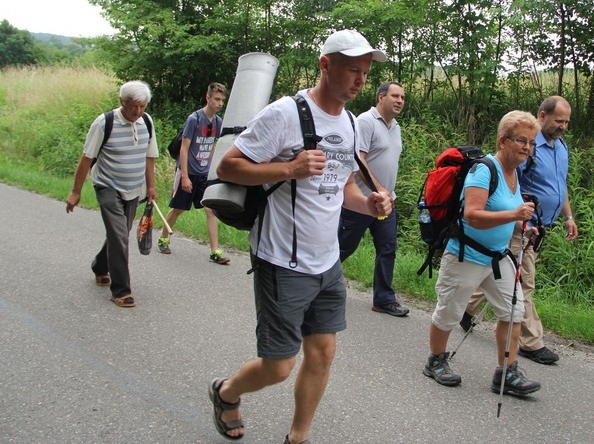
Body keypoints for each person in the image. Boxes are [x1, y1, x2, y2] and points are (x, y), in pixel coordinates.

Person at [208, 29, 391, 443]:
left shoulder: (349, 124)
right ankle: (226, 392)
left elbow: (342, 188)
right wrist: (289, 169)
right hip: (281, 260)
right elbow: (228, 167)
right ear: (325, 65)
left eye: (364, 72)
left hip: (326, 261)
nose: (360, 80)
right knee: (278, 366)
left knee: (323, 353)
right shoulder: (284, 114)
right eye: (351, 70)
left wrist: (369, 204)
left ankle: (297, 437)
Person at [423, 110, 542, 397]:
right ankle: (436, 361)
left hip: (498, 257)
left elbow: (500, 211)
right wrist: (514, 212)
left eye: (531, 142)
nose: (527, 147)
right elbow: (473, 215)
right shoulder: (483, 170)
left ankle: (507, 373)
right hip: (467, 255)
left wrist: (521, 226)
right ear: (503, 140)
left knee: (514, 312)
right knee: (449, 312)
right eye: (521, 141)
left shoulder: (513, 173)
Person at [461, 96, 579, 365]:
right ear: (542, 116)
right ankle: (531, 343)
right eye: (559, 121)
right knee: (523, 282)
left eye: (566, 122)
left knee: (500, 275)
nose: (563, 126)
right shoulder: (529, 147)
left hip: (541, 228)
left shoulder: (561, 147)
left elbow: (560, 185)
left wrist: (568, 216)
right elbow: (507, 177)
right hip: (520, 226)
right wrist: (517, 218)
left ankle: (466, 307)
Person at [66, 81, 158, 308]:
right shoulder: (104, 123)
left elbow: (149, 156)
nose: (137, 112)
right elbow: (86, 159)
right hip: (107, 186)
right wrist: (75, 192)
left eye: (142, 107)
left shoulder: (146, 121)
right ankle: (121, 290)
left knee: (119, 234)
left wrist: (151, 187)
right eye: (132, 107)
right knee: (119, 237)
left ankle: (100, 265)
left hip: (134, 189)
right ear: (121, 102)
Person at [338, 81, 409, 317]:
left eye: (402, 98)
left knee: (387, 248)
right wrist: (379, 189)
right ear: (381, 97)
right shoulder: (365, 121)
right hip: (360, 200)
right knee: (342, 247)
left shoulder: (395, 126)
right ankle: (315, 283)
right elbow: (358, 161)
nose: (399, 101)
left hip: (385, 202)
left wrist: (387, 194)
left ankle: (383, 299)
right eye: (395, 96)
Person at [157, 82, 230, 264]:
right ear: (208, 98)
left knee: (210, 210)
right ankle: (164, 238)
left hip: (204, 173)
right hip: (188, 171)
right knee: (179, 208)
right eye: (217, 99)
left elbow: (211, 146)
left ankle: (215, 251)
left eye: (222, 100)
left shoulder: (218, 122)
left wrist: (213, 171)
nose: (220, 104)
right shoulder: (194, 119)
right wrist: (184, 176)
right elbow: (184, 148)